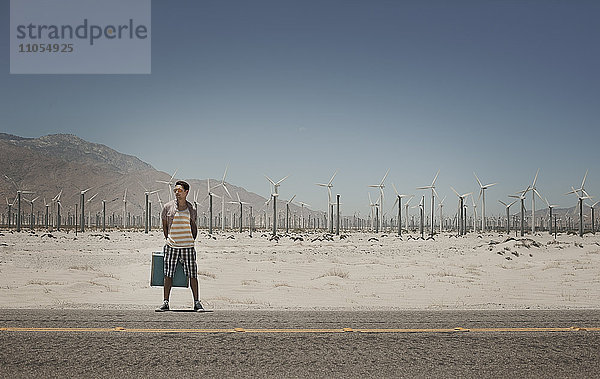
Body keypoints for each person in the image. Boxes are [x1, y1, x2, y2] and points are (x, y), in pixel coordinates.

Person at [156, 180, 203, 311]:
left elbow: (194, 226)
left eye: (180, 190)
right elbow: (165, 226)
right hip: (172, 246)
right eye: (175, 190)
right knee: (168, 274)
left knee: (193, 275)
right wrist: (169, 239)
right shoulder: (167, 207)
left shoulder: (191, 208)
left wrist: (191, 240)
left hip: (188, 246)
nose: (177, 192)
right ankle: (165, 302)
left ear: (186, 192)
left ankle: (197, 302)